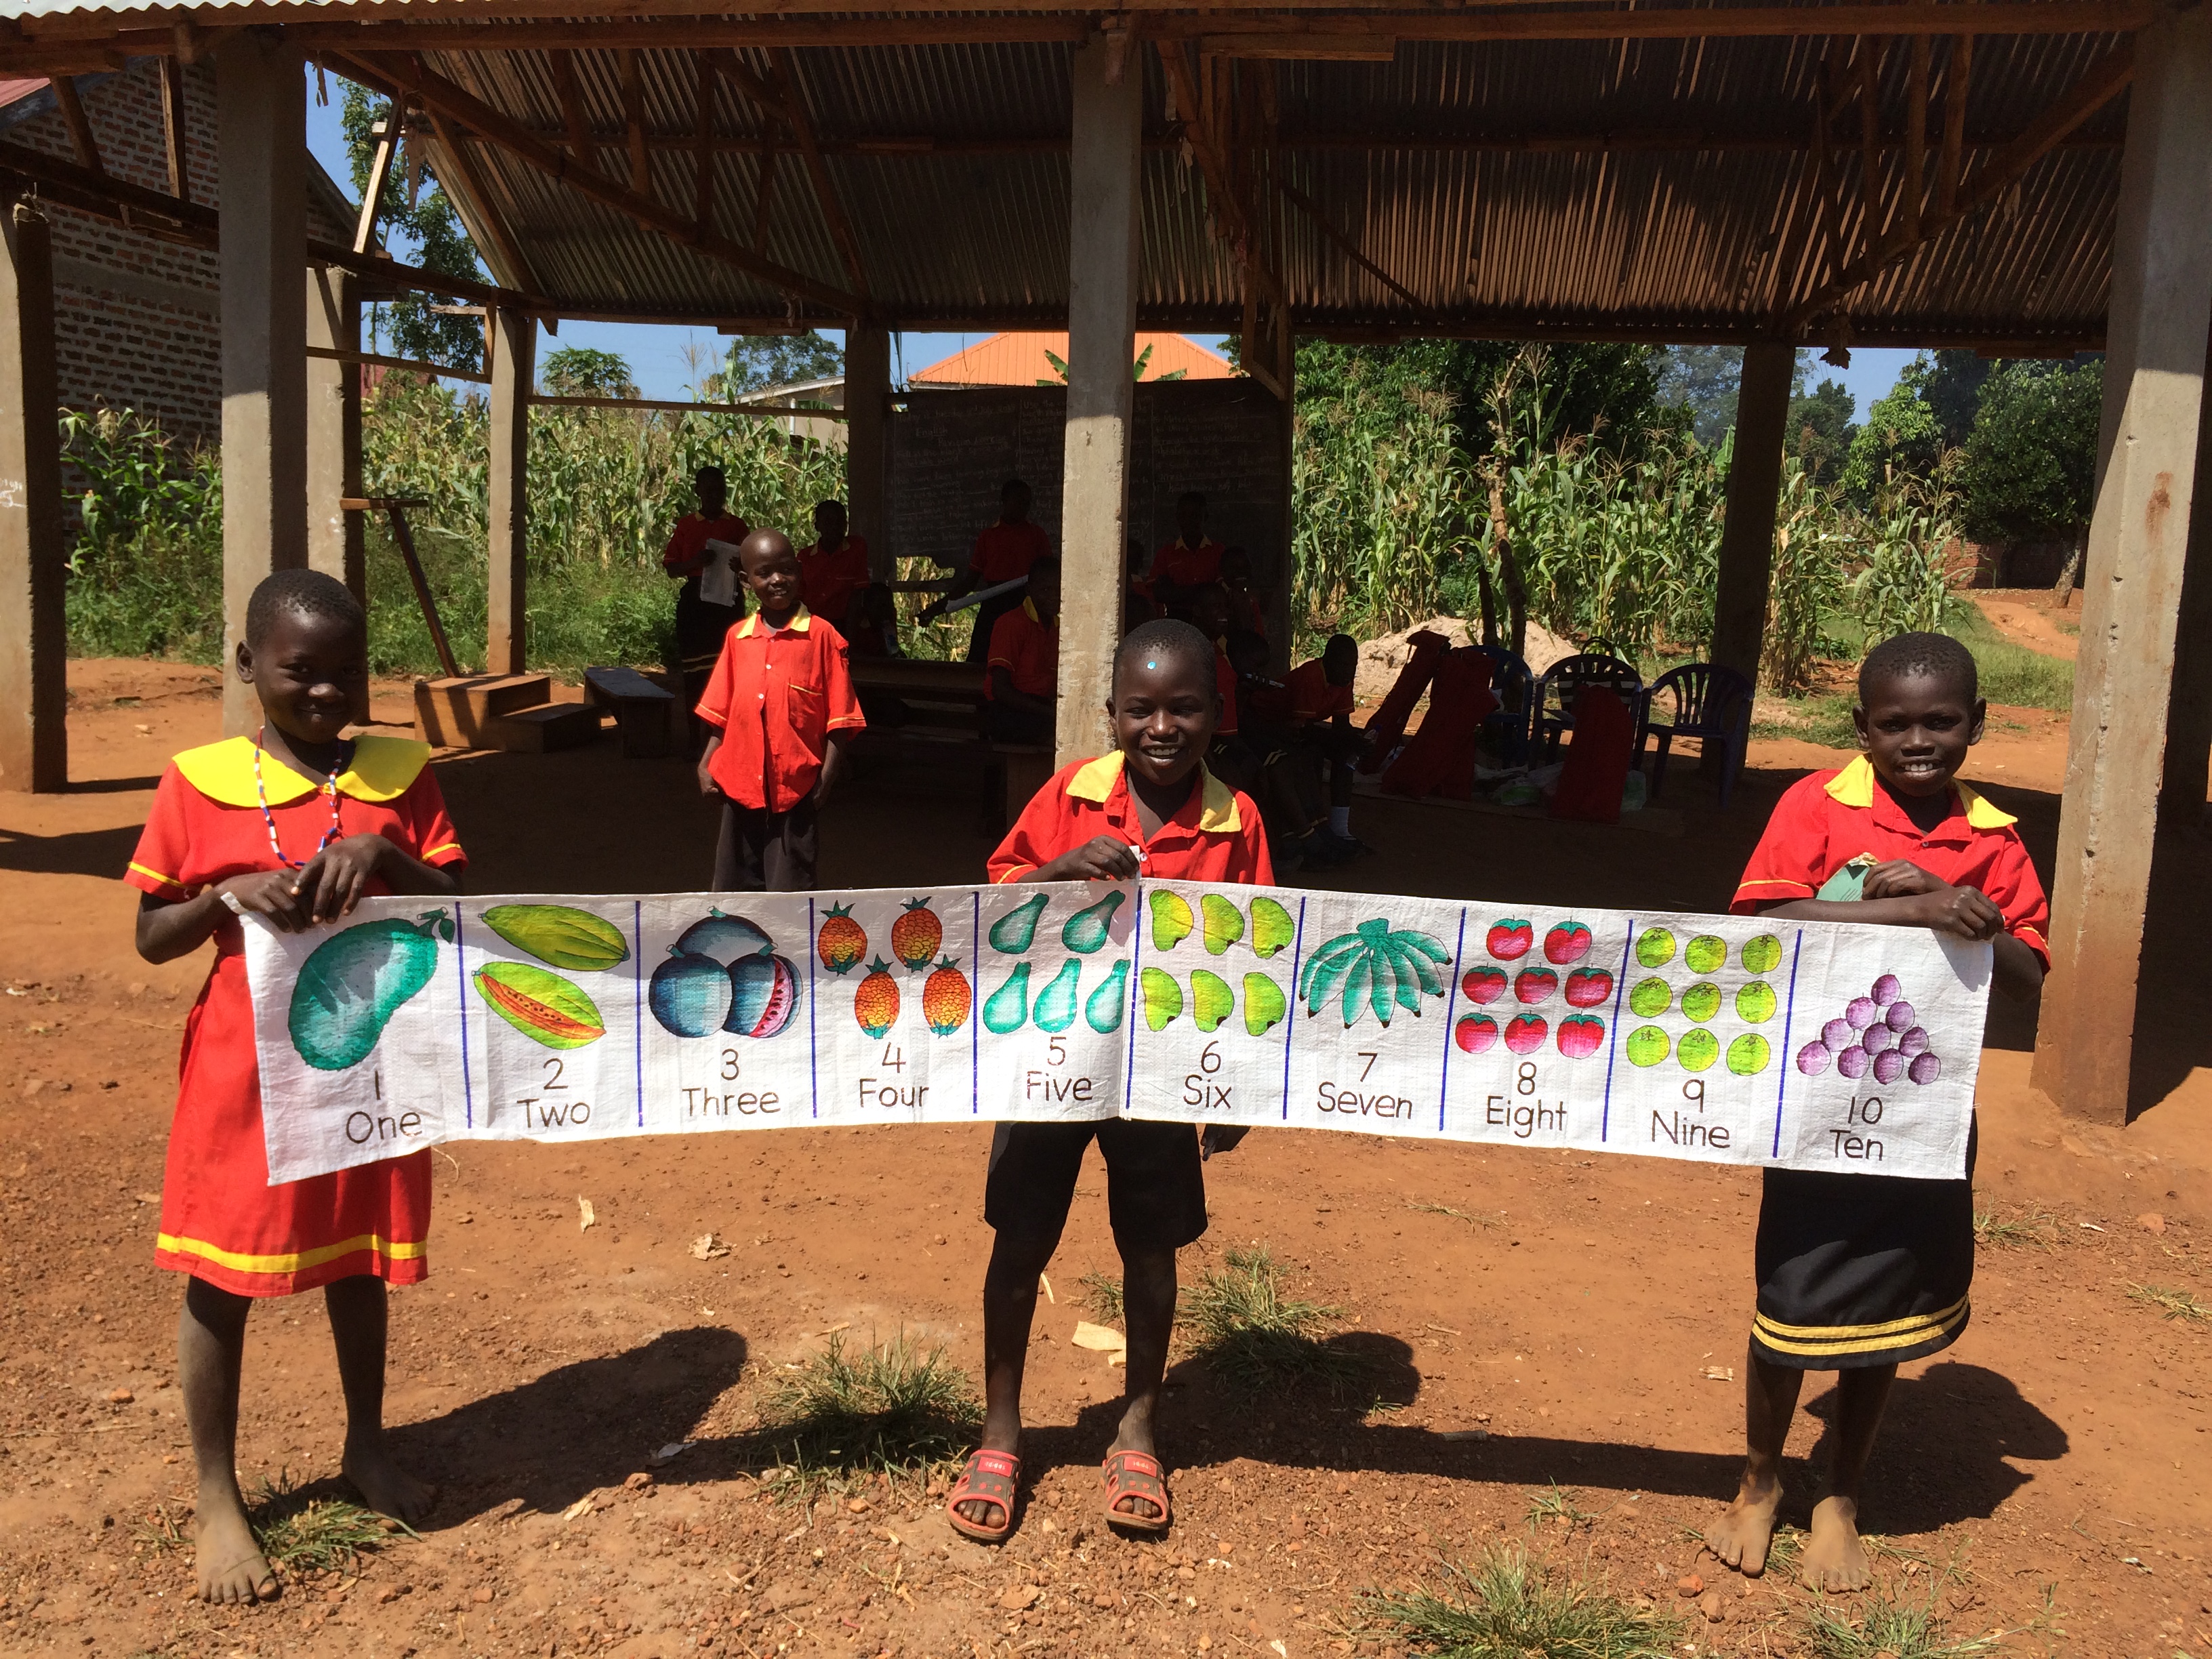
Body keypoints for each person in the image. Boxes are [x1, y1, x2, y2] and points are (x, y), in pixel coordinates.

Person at [126, 570, 465, 1605]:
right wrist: (223, 897)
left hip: (370, 1057)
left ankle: (367, 1445)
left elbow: (464, 904)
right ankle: (216, 1496)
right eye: (300, 671)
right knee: (221, 1274)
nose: (326, 693)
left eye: (347, 673)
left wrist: (387, 851)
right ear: (248, 665)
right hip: (242, 1069)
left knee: (358, 1256)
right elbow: (150, 935)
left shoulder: (401, 776)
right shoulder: (198, 783)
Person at [1704, 630, 2048, 1593]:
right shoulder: (1817, 806)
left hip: (1924, 1113)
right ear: (1862, 727)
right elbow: (1763, 922)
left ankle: (1842, 1495)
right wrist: (1907, 911)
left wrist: (1955, 895)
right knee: (1792, 1289)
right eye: (1895, 724)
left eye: (1943, 722)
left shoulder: (1996, 840)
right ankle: (1760, 1479)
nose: (1919, 741)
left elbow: (2025, 974)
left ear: (1977, 723)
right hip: (1817, 1099)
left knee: (1888, 1299)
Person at [946, 619, 1270, 1547]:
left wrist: (1239, 1087)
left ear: (1217, 714)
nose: (1161, 728)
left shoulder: (1238, 822)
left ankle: (1137, 1428)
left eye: (1184, 708)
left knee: (1152, 1249)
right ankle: (1001, 1431)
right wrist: (1057, 869)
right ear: (1111, 713)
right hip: (1050, 1061)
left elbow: (1261, 955)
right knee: (1020, 1242)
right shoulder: (1072, 795)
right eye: (1140, 710)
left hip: (1160, 1074)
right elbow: (995, 900)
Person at [695, 529, 866, 891]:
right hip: (738, 788)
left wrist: (825, 781)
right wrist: (706, 762)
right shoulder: (738, 638)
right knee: (733, 896)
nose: (777, 580)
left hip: (796, 792)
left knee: (790, 896)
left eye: (786, 570)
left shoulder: (822, 637)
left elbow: (840, 721)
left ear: (800, 572)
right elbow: (722, 715)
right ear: (746, 581)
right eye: (764, 573)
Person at [1250, 632, 1369, 861]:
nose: (1349, 672)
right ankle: (1312, 829)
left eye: (1353, 666)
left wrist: (1358, 741)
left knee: (1347, 756)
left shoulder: (1343, 680)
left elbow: (1341, 726)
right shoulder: (1311, 676)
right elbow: (1300, 730)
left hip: (1293, 727)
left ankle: (1339, 829)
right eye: (1344, 665)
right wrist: (1347, 739)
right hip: (1266, 723)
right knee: (1307, 757)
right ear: (1327, 660)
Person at [661, 466, 752, 737]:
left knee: (727, 672)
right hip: (695, 603)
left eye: (719, 490)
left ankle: (726, 738)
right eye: (708, 490)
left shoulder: (737, 526)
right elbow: (671, 568)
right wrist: (695, 562)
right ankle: (693, 738)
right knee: (694, 673)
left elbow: (751, 567)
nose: (714, 496)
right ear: (697, 491)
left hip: (727, 603)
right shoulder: (686, 526)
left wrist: (740, 566)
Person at [921, 478, 1052, 665]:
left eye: (1027, 502)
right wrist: (935, 610)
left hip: (1026, 604)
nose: (1024, 507)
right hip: (994, 603)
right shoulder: (989, 537)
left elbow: (1048, 576)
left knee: (1025, 660)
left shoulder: (1037, 535)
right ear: (1004, 501)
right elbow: (969, 583)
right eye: (1019, 501)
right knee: (980, 659)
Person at [983, 554, 1060, 747]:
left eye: (1059, 589)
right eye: (1045, 590)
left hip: (1041, 708)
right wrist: (1050, 713)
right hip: (1009, 711)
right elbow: (1000, 690)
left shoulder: (1059, 626)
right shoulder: (1011, 623)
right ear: (1029, 590)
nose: (1054, 596)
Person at [796, 498, 872, 632]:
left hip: (845, 622)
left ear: (846, 525)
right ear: (817, 526)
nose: (834, 526)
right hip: (813, 623)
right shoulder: (805, 557)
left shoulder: (856, 548)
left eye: (840, 521)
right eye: (828, 521)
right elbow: (798, 596)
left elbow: (859, 592)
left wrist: (849, 637)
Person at [1147, 491, 1222, 611]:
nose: (1189, 521)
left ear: (1205, 517)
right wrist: (1204, 589)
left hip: (1210, 620)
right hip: (1176, 618)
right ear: (1177, 518)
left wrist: (1176, 592)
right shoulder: (1165, 554)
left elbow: (1221, 593)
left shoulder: (1219, 552)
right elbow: (1158, 594)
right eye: (1183, 515)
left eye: (1195, 515)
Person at [1217, 545, 1269, 642]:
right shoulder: (1215, 598)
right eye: (1234, 567)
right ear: (1222, 570)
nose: (1241, 572)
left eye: (1246, 567)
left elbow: (1259, 636)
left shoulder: (1251, 601)